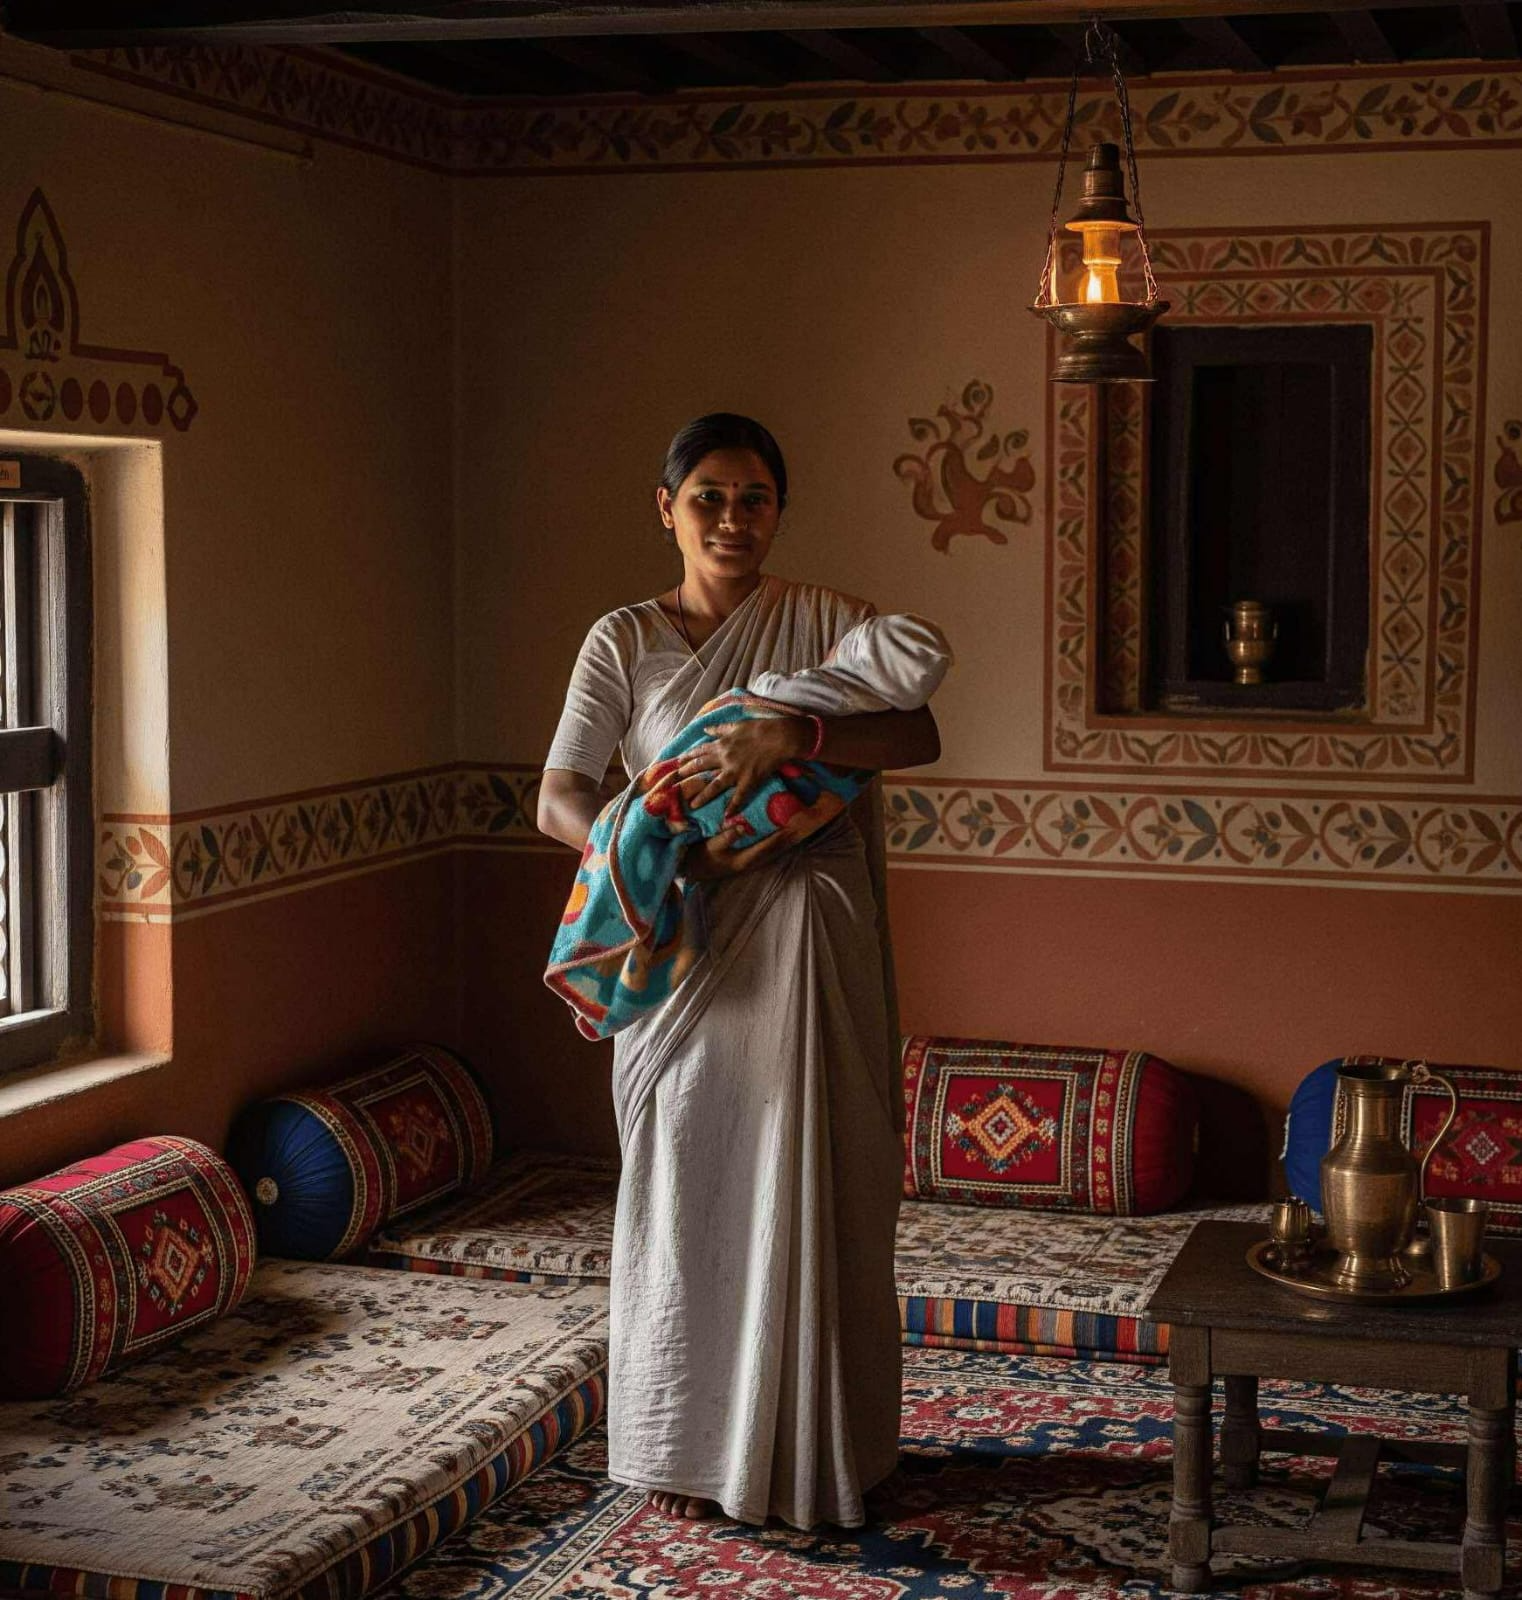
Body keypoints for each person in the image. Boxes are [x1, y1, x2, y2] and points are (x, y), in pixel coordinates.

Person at [537, 412, 941, 1531]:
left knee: (813, 1179)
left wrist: (795, 742)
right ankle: (685, 1436)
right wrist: (642, 853)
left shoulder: (827, 621)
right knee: (689, 1182)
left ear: (778, 510)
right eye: (708, 495)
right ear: (665, 507)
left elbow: (916, 736)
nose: (731, 517)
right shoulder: (620, 640)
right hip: (681, 940)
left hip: (810, 928)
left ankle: (822, 1442)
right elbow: (559, 791)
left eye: (753, 496)